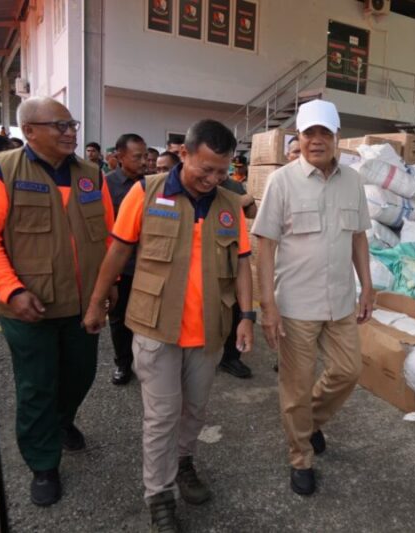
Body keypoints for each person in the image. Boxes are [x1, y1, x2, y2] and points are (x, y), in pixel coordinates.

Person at [82, 119, 254, 532]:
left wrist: (247, 317)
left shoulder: (230, 206)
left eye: (222, 171)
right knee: (161, 415)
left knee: (194, 410)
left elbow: (243, 265)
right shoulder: (145, 192)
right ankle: (159, 494)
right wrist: (96, 303)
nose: (213, 179)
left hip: (209, 329)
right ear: (184, 154)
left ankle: (183, 462)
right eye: (205, 169)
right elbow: (118, 252)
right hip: (156, 326)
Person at [0, 97, 115, 507]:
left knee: (81, 375)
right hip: (29, 307)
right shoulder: (1, 174)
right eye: (59, 125)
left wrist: (109, 284)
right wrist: (11, 290)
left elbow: (106, 234)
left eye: (72, 124)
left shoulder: (91, 176)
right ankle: (43, 463)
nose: (70, 132)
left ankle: (61, 421)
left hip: (84, 304)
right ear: (29, 131)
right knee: (36, 386)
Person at [252, 99, 373, 496]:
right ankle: (300, 455)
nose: (316, 141)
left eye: (325, 133)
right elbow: (265, 245)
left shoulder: (353, 182)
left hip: (340, 301)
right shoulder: (282, 182)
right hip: (296, 307)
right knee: (296, 386)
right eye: (309, 133)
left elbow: (358, 237)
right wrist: (266, 305)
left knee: (348, 371)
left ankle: (310, 422)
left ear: (337, 138)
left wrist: (366, 286)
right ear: (299, 138)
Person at [105, 133, 149, 385]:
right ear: (120, 157)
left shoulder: (153, 184)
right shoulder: (106, 185)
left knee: (146, 319)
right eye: (137, 156)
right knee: (119, 319)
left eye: (146, 156)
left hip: (148, 266)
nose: (144, 161)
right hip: (122, 266)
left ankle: (145, 364)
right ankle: (122, 364)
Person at [216, 166, 257, 379]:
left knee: (234, 311)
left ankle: (231, 358)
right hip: (203, 260)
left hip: (231, 257)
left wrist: (248, 200)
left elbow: (252, 213)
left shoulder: (233, 185)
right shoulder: (196, 184)